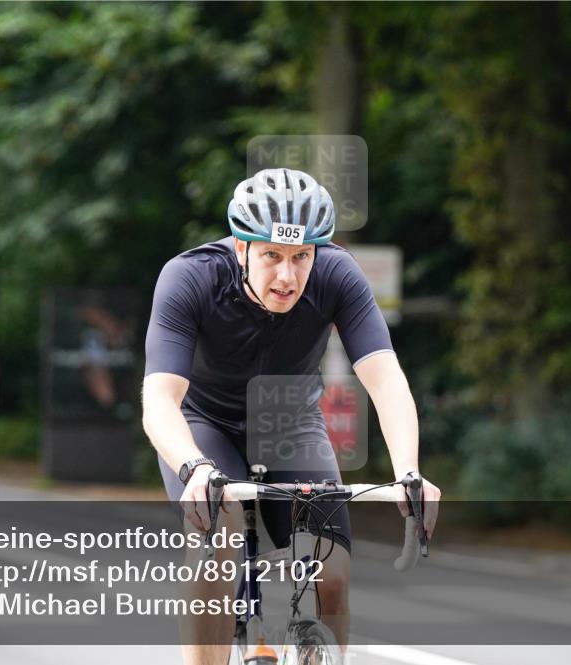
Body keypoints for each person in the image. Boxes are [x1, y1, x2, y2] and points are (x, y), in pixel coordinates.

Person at [142, 168, 441, 665]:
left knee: (332, 571)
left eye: (301, 257)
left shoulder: (338, 274)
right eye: (272, 256)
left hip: (289, 420)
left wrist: (408, 470)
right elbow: (159, 401)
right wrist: (194, 469)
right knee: (219, 539)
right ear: (242, 249)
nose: (287, 276)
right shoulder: (189, 276)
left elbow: (386, 380)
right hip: (203, 424)